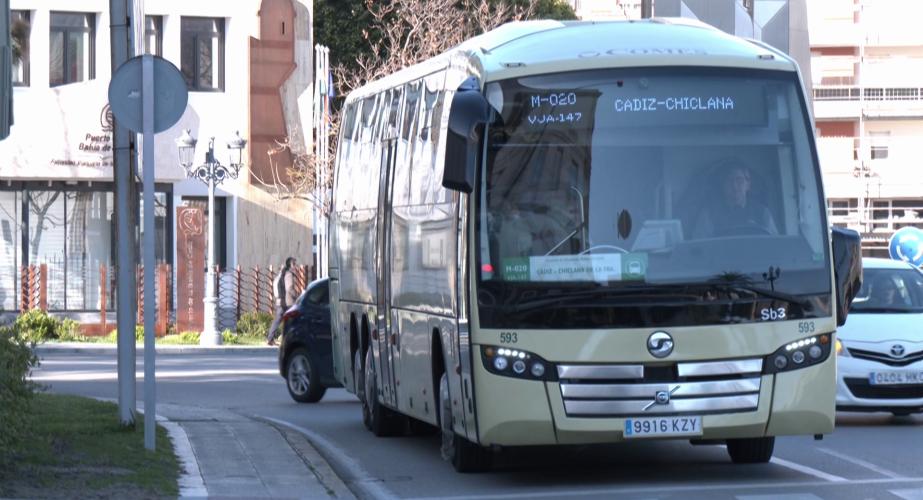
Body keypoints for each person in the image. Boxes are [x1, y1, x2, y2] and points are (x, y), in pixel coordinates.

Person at [691, 160, 779, 238]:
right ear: (723, 185)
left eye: (739, 180)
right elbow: (698, 247)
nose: (734, 186)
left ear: (748, 184)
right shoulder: (709, 213)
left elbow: (774, 243)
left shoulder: (762, 212)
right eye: (729, 180)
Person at [267, 257, 298, 345]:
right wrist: (296, 296)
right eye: (294, 264)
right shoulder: (289, 274)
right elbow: (289, 288)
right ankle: (283, 339)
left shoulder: (285, 273)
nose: (296, 266)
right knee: (292, 320)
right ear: (290, 265)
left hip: (282, 301)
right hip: (288, 302)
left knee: (280, 320)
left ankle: (271, 339)